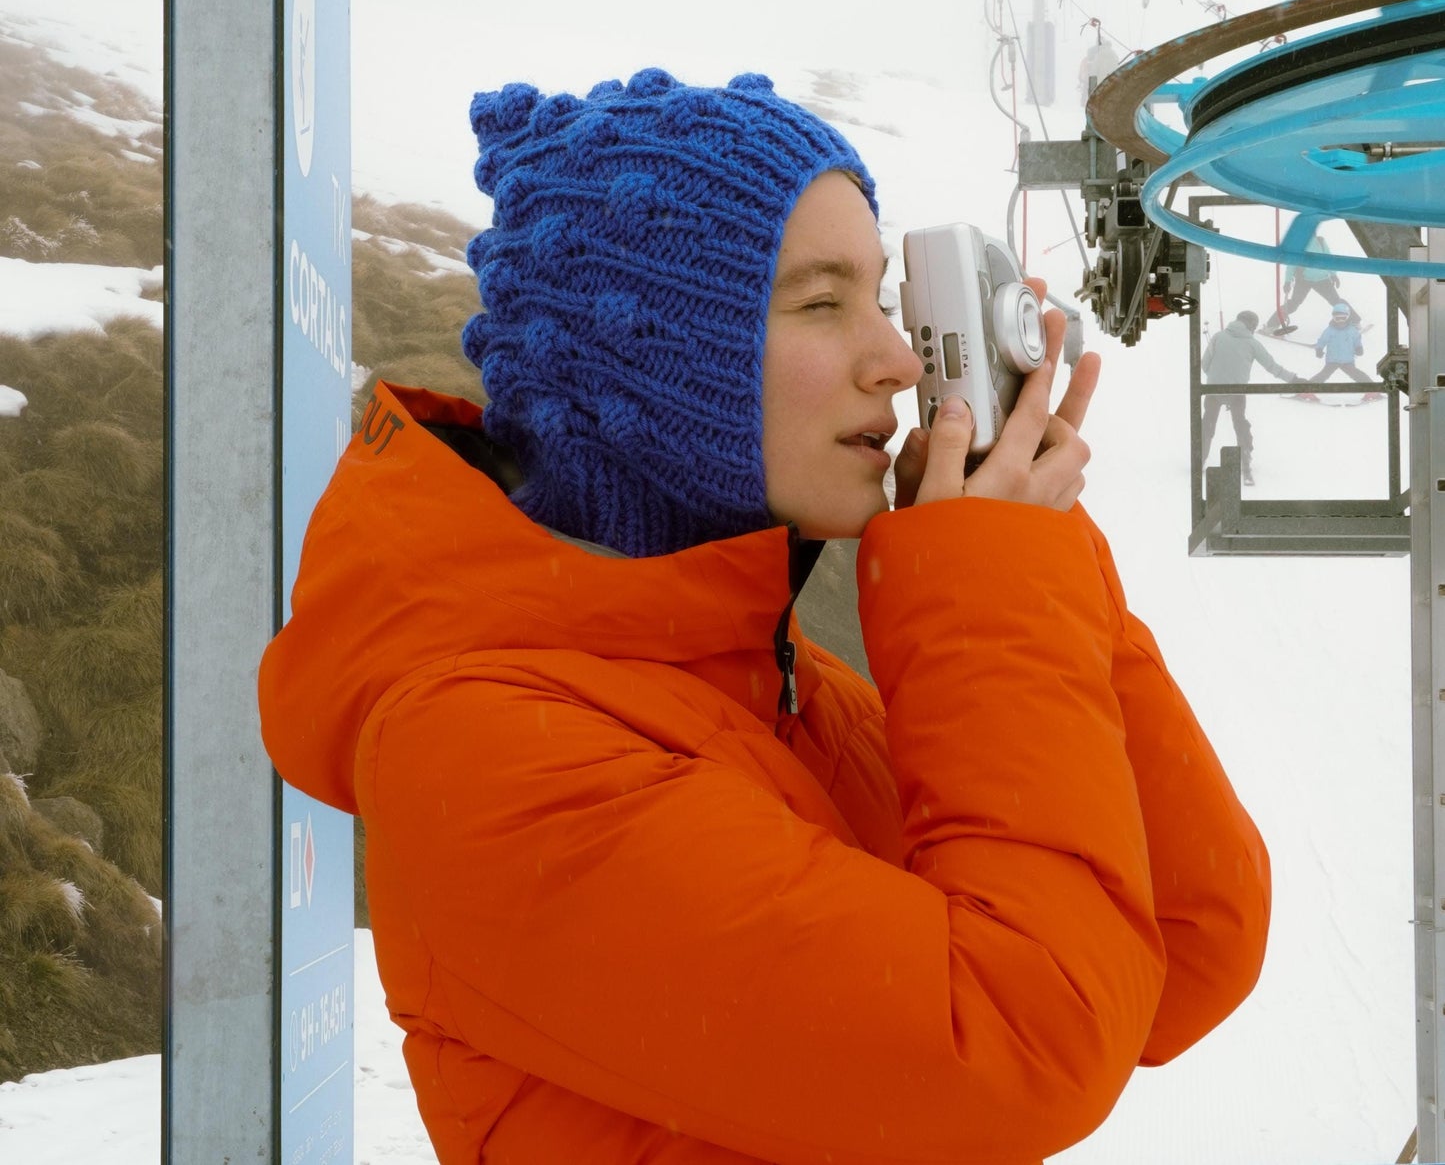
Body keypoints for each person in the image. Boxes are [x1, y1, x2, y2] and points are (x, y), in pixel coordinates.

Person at [259, 69, 1270, 1165]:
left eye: (881, 297)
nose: (892, 359)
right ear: (653, 363)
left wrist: (1033, 548)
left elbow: (1180, 941)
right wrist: (992, 577)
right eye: (821, 303)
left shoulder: (778, 685)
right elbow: (1028, 1042)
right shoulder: (482, 754)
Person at [1200, 308, 1299, 486]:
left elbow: (1204, 364)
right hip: (1238, 391)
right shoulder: (1252, 343)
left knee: (1208, 423)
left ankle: (1199, 458)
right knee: (1240, 424)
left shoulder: (1218, 337)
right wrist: (1293, 379)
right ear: (1251, 326)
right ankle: (1245, 460)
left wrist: (1216, 376)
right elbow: (1271, 366)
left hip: (1213, 390)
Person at [1262, 235, 1355, 333]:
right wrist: (1288, 281)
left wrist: (1333, 274)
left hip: (1322, 279)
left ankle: (1355, 321)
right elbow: (1292, 264)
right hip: (1303, 280)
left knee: (1336, 301)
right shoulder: (1298, 245)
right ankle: (1271, 326)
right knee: (1293, 304)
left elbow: (1329, 258)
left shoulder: (1320, 241)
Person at [1309, 302, 1379, 395]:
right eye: (1337, 318)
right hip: (1332, 360)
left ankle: (1372, 390)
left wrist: (1359, 348)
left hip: (1347, 361)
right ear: (1333, 317)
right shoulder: (1329, 330)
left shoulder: (1352, 330)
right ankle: (1307, 390)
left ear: (1348, 317)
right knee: (1322, 375)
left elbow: (1357, 340)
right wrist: (1319, 349)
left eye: (1343, 318)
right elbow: (1322, 340)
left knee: (1358, 375)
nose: (1340, 321)